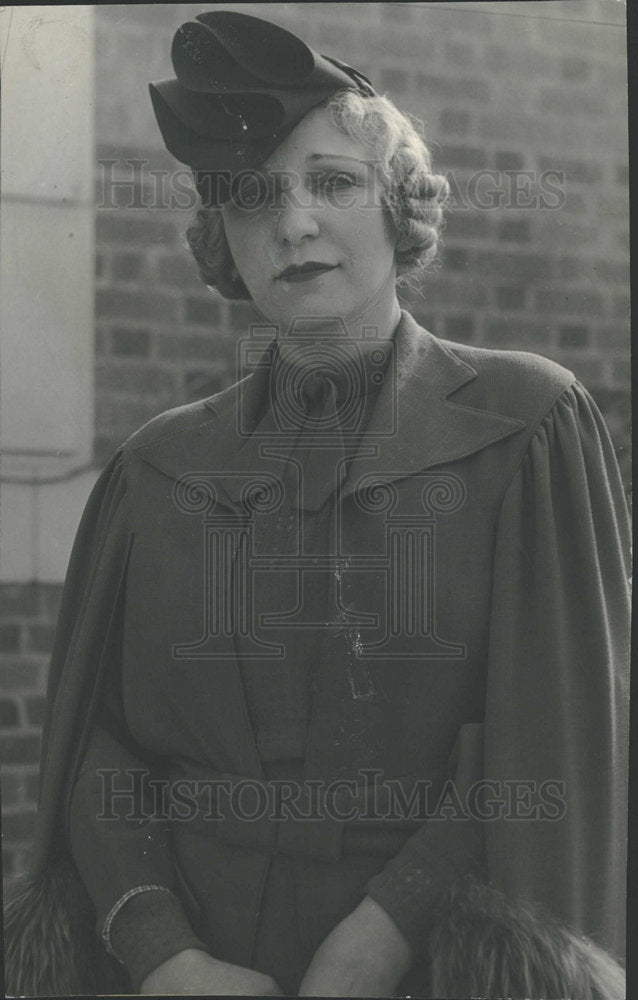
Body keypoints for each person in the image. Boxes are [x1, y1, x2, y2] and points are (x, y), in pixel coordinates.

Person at [4, 11, 629, 999]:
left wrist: (379, 936)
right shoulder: (158, 468)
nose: (291, 224)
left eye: (332, 182)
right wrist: (164, 952)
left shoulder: (525, 427)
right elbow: (100, 748)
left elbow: (537, 740)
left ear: (397, 207)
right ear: (222, 238)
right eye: (251, 196)